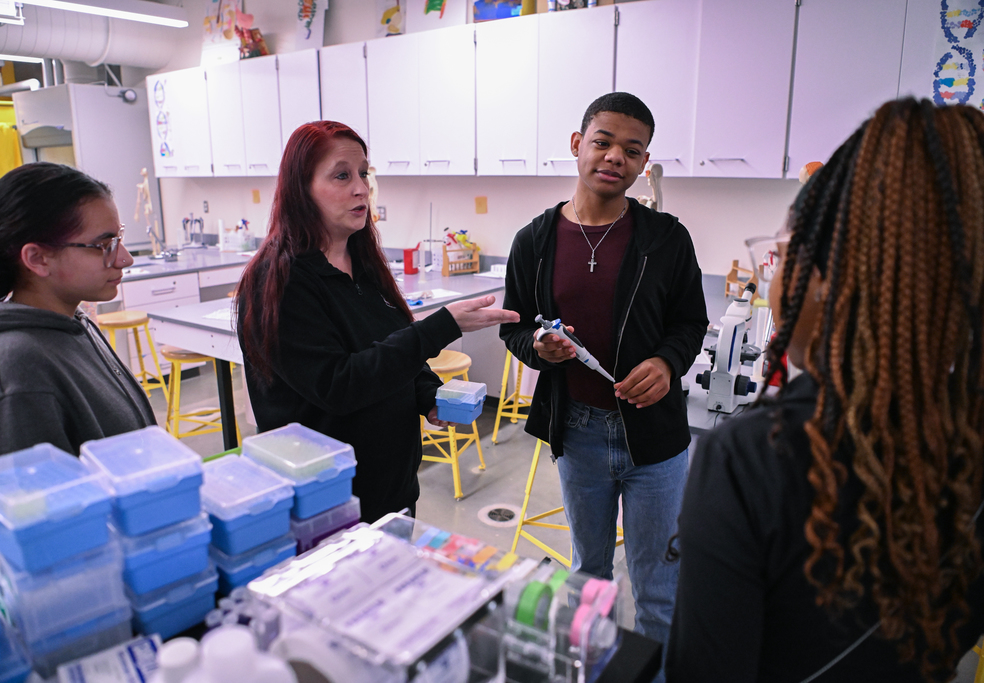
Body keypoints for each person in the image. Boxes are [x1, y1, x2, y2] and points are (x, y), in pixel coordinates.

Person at [666, 99, 984, 682]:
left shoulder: (748, 461)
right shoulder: (964, 430)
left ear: (830, 277)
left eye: (782, 254)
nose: (775, 276)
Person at [499, 92, 708, 663]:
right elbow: (513, 329)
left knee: (658, 589)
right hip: (580, 434)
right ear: (578, 144)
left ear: (644, 163)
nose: (616, 156)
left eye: (632, 150)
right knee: (587, 575)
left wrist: (667, 362)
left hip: (656, 441)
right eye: (604, 141)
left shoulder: (666, 238)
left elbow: (691, 322)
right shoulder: (534, 241)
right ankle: (586, 672)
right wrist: (539, 347)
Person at [235, 121, 517, 524]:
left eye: (364, 174)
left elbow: (390, 347)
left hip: (392, 489)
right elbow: (339, 385)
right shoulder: (280, 280)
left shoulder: (362, 264)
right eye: (342, 175)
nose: (361, 188)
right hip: (329, 502)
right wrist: (441, 327)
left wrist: (427, 394)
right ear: (301, 187)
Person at [0, 162, 156, 466]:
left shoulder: (72, 324)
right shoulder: (14, 369)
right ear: (37, 258)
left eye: (119, 239)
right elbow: (23, 507)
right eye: (104, 245)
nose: (124, 258)